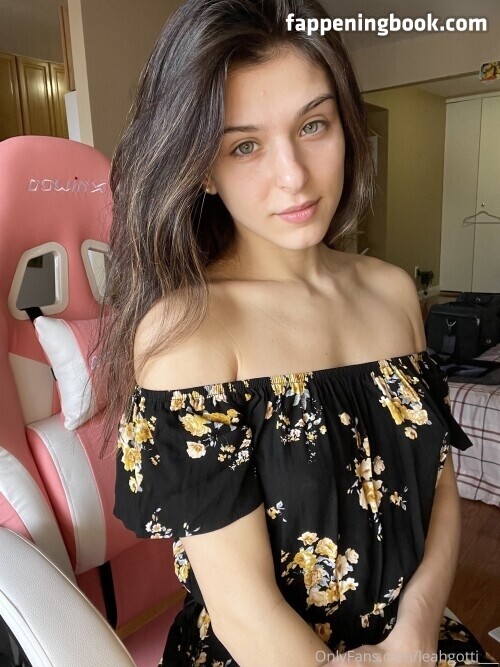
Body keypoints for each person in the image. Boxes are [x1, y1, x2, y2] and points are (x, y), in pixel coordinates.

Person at [98, 0, 496, 665]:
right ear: (202, 167)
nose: (294, 176)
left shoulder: (394, 293)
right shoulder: (189, 334)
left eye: (314, 125)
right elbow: (242, 608)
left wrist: (415, 638)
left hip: (415, 640)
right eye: (244, 145)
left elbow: (442, 490)